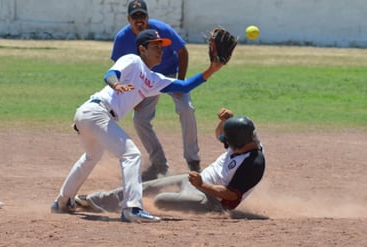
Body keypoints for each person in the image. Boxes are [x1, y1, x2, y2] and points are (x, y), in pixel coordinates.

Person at [50, 29, 225, 223]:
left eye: (162, 47)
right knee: (131, 154)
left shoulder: (153, 79)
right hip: (96, 112)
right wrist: (116, 85)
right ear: (142, 49)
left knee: (91, 157)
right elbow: (111, 74)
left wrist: (213, 69)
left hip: (92, 116)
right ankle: (132, 208)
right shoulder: (132, 60)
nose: (161, 50)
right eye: (155, 46)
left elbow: (183, 86)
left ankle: (62, 201)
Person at [74, 108, 266, 214]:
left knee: (161, 200)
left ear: (239, 140)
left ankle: (133, 209)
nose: (224, 140)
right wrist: (225, 122)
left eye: (228, 138)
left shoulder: (254, 164)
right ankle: (96, 201)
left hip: (210, 201)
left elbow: (231, 195)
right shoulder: (243, 142)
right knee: (146, 186)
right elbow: (219, 135)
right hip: (196, 182)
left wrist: (202, 185)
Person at [111, 0, 201, 180]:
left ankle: (193, 161)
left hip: (169, 74)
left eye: (142, 16)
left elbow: (182, 51)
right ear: (128, 19)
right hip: (144, 80)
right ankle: (159, 164)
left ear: (147, 17)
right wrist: (133, 96)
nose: (139, 20)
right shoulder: (122, 38)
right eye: (135, 17)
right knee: (140, 120)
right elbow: (120, 69)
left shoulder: (162, 29)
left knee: (186, 108)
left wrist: (180, 82)